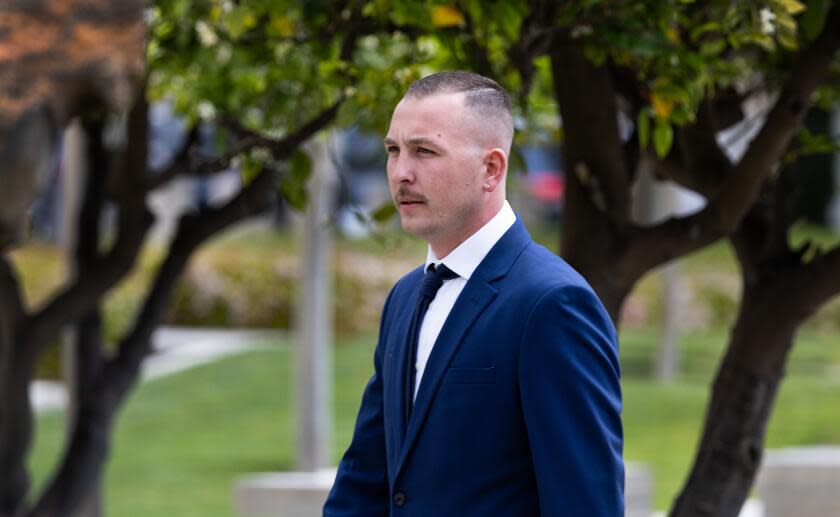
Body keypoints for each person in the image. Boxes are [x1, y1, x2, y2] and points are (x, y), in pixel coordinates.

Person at [323, 71, 623, 516]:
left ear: (491, 168)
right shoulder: (406, 297)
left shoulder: (552, 304)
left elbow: (585, 504)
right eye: (393, 150)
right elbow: (366, 480)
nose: (401, 172)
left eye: (424, 151)